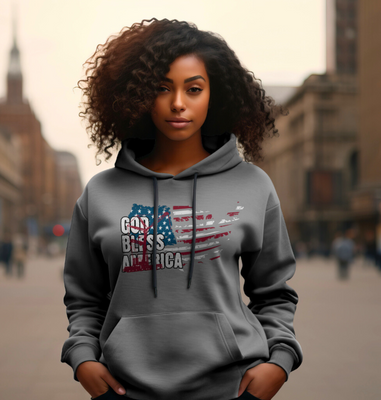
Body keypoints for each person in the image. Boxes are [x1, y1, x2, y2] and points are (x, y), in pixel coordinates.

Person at [60, 18, 303, 400]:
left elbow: (274, 292)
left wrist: (279, 363)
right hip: (125, 389)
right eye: (161, 88)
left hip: (232, 387)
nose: (178, 103)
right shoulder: (101, 193)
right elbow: (84, 298)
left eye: (194, 89)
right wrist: (83, 359)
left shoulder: (252, 185)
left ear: (215, 95)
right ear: (138, 95)